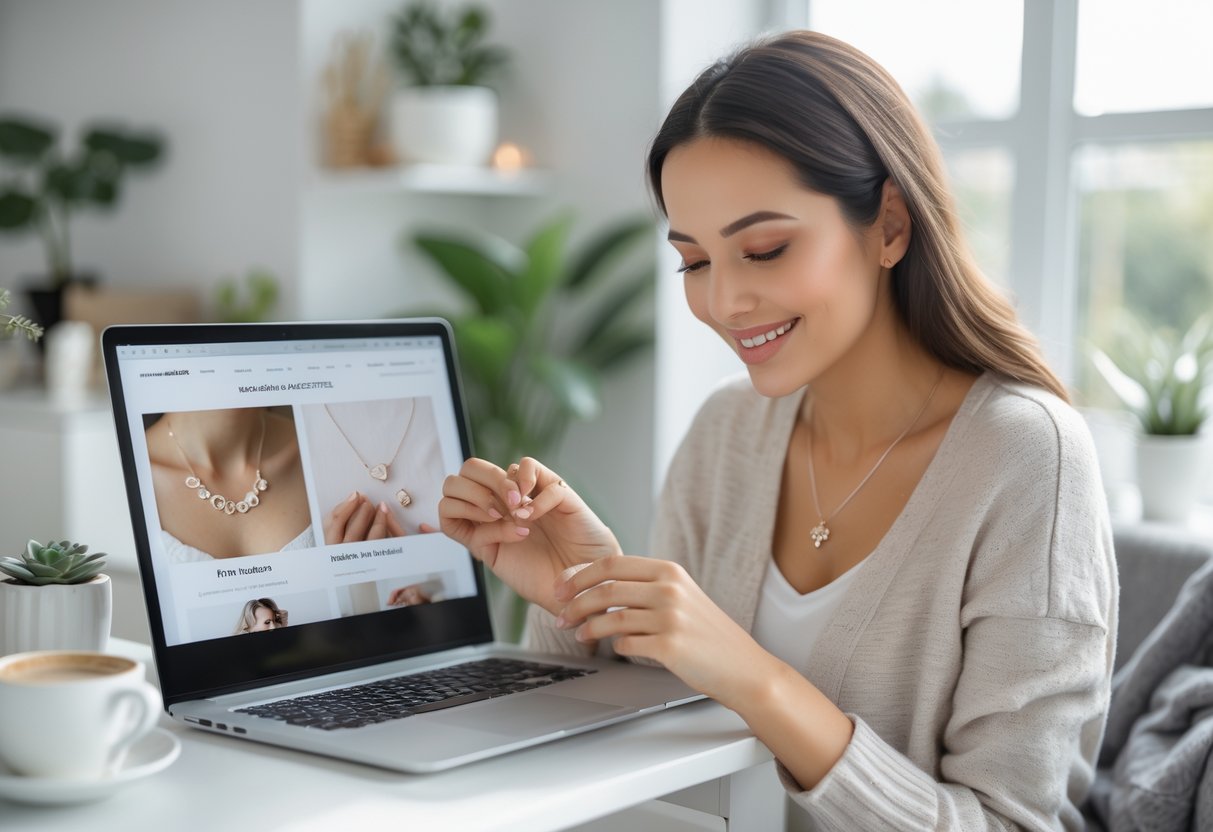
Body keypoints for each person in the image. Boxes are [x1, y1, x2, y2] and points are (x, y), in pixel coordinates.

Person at [437, 30, 1116, 831]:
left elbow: (1012, 822)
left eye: (764, 249)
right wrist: (580, 598)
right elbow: (649, 752)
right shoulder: (729, 431)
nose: (724, 303)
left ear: (889, 226)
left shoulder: (1026, 457)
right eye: (693, 262)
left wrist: (757, 679)